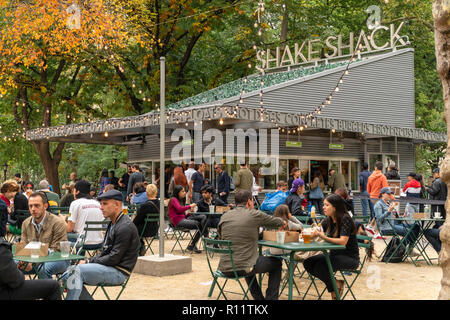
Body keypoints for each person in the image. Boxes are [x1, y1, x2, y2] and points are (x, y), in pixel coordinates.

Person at [62, 189, 140, 300]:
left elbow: (114, 258)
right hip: (109, 267)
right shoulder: (114, 223)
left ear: (117, 204)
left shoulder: (124, 226)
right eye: (101, 203)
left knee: (74, 272)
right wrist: (89, 261)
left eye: (105, 203)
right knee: (68, 273)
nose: (101, 207)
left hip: (119, 271)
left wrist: (89, 261)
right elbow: (106, 253)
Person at [218, 189, 286, 300]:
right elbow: (276, 221)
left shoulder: (225, 216)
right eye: (253, 202)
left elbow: (221, 240)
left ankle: (259, 299)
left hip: (225, 266)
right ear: (249, 202)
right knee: (276, 263)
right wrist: (284, 221)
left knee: (248, 260)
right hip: (243, 266)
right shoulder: (254, 214)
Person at [303, 194, 360, 300]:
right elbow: (318, 230)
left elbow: (343, 242)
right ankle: (336, 285)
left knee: (321, 266)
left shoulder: (345, 219)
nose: (323, 207)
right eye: (323, 204)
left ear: (335, 207)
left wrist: (323, 237)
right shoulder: (328, 219)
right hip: (334, 255)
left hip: (349, 258)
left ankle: (334, 289)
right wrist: (311, 232)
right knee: (308, 263)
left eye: (326, 205)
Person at [19, 192, 69, 279]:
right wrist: (23, 261)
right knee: (9, 265)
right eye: (30, 206)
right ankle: (19, 292)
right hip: (32, 260)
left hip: (58, 259)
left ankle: (47, 292)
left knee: (43, 268)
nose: (33, 209)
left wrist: (33, 262)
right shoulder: (26, 223)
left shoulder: (58, 223)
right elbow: (23, 246)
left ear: (45, 206)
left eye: (37, 205)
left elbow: (56, 250)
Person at [374, 187, 420, 254]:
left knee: (416, 227)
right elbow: (379, 219)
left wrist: (402, 217)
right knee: (410, 232)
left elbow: (394, 217)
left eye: (390, 194)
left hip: (394, 224)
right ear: (382, 194)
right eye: (388, 194)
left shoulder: (389, 203)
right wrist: (389, 211)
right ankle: (401, 247)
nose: (390, 196)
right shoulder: (378, 204)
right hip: (386, 227)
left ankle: (410, 248)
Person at [66, 180, 104, 252]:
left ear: (77, 191)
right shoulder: (98, 204)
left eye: (74, 190)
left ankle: (73, 259)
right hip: (99, 242)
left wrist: (61, 221)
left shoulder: (75, 203)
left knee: (60, 234)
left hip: (82, 243)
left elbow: (69, 229)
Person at [168, 185, 206, 253]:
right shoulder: (173, 199)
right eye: (182, 191)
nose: (184, 193)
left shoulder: (178, 200)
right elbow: (179, 210)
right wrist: (190, 206)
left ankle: (193, 244)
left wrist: (189, 214)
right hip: (177, 222)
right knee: (201, 224)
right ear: (177, 192)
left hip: (181, 220)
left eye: (184, 191)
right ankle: (200, 241)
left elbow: (181, 215)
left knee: (203, 218)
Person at [133, 184, 159, 256]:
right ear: (156, 192)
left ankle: (140, 246)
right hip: (155, 230)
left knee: (131, 229)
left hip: (144, 230)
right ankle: (141, 246)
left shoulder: (145, 206)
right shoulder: (160, 204)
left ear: (146, 193)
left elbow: (136, 220)